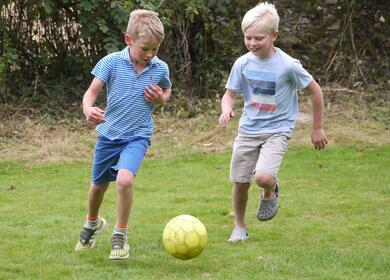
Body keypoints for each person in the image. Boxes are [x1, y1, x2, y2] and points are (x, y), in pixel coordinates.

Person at [219, 2, 327, 243]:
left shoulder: (288, 65)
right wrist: (226, 110)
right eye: (248, 37)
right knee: (240, 182)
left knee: (262, 177)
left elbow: (315, 91)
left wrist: (317, 127)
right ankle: (239, 226)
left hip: (277, 130)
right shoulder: (242, 63)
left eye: (259, 38)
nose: (252, 43)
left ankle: (270, 190)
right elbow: (229, 94)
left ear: (274, 36)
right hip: (248, 130)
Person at [74, 9, 172, 260]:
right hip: (109, 134)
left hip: (138, 135)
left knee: (125, 180)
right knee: (98, 187)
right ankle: (92, 223)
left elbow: (166, 91)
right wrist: (87, 109)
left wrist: (160, 98)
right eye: (145, 49)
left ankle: (120, 235)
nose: (150, 55)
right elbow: (91, 92)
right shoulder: (111, 62)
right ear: (129, 40)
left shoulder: (159, 67)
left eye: (155, 49)